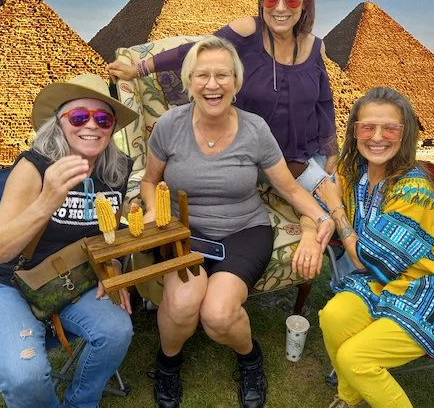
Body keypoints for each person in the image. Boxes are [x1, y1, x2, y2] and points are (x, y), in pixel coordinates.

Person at [141, 36, 333, 408]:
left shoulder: (255, 129)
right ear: (189, 81)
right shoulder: (169, 125)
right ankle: (167, 364)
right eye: (202, 75)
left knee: (218, 314)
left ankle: (250, 358)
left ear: (236, 82)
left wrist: (320, 218)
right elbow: (150, 181)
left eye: (222, 75)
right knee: (182, 304)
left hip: (244, 230)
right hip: (184, 231)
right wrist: (152, 211)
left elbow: (290, 188)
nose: (212, 85)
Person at [0, 74, 138, 408]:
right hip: (4, 283)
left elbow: (106, 234)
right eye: (79, 116)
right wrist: (47, 200)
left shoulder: (115, 171)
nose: (92, 125)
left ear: (112, 128)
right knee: (26, 377)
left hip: (69, 279)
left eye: (103, 119)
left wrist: (113, 264)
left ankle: (80, 402)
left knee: (117, 332)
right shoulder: (34, 167)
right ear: (59, 122)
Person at [108, 0, 338, 185]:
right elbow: (196, 51)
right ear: (261, 2)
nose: (280, 7)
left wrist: (332, 151)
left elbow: (324, 102)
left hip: (309, 152)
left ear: (305, 2)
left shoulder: (315, 47)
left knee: (339, 196)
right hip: (257, 155)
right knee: (325, 197)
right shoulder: (248, 31)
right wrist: (137, 69)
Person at [315, 87, 434, 408]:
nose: (377, 137)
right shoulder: (353, 171)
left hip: (432, 290)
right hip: (383, 281)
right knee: (332, 316)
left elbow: (364, 260)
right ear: (354, 131)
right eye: (367, 127)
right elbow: (319, 197)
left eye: (390, 128)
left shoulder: (415, 191)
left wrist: (335, 209)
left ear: (405, 134)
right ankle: (349, 397)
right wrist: (314, 227)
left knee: (355, 358)